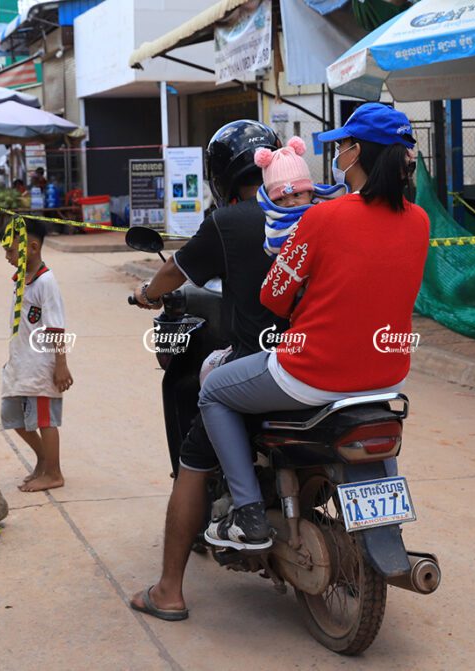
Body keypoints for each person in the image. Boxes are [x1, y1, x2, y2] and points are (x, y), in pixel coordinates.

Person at [200, 102, 429, 551]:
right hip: (387, 377)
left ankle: (247, 514)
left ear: (357, 152)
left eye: (342, 147)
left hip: (314, 373)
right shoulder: (418, 221)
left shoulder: (324, 217)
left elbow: (273, 295)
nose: (338, 155)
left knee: (213, 392)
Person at [128, 120, 289, 621]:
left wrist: (146, 294)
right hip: (318, 357)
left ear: (219, 175)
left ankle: (169, 591)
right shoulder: (310, 212)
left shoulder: (228, 220)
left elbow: (177, 270)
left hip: (261, 364)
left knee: (197, 445)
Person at [1, 220, 73, 492]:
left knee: (45, 420)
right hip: (20, 364)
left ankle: (54, 473)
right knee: (14, 417)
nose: (7, 257)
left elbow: (56, 326)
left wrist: (61, 365)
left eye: (10, 251)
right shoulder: (21, 279)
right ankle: (43, 460)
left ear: (32, 247)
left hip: (42, 365)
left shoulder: (46, 282)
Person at [253, 135, 347, 256]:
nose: (290, 203)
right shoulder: (275, 223)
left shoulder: (327, 209)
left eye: (297, 195)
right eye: (280, 199)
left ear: (310, 193)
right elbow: (274, 246)